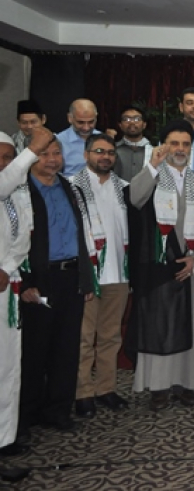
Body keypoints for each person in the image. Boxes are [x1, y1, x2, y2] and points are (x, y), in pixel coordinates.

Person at [129, 120, 194, 411]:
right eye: (174, 143)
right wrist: (152, 166)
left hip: (191, 264)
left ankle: (187, 384)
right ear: (163, 145)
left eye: (185, 144)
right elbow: (134, 199)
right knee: (159, 325)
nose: (179, 149)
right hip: (158, 264)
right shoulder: (151, 176)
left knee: (190, 324)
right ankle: (159, 387)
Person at [18, 137, 97, 433]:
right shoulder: (20, 191)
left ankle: (58, 411)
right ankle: (27, 414)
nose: (52, 159)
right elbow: (14, 241)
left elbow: (83, 236)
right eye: (44, 154)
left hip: (71, 276)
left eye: (56, 153)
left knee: (66, 348)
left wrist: (86, 278)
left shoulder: (70, 188)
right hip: (39, 279)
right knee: (34, 350)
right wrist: (25, 282)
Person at [71, 134, 131, 418]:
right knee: (83, 337)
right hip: (88, 275)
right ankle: (82, 393)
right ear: (86, 155)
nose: (105, 157)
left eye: (109, 153)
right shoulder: (72, 188)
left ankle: (105, 389)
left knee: (110, 337)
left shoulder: (124, 189)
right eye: (99, 152)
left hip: (118, 273)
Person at [0, 133, 34, 481]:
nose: (5, 164)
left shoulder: (13, 198)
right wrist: (33, 151)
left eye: (10, 157)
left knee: (7, 368)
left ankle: (3, 442)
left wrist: (7, 268)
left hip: (6, 292)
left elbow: (22, 236)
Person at [57, 99, 102, 177]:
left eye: (91, 122)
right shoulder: (58, 141)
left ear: (96, 117)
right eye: (80, 122)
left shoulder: (102, 139)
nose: (86, 128)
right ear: (70, 118)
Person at [113, 105, 153, 181]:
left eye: (137, 119)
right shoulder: (113, 149)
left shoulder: (153, 152)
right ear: (120, 125)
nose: (132, 122)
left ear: (144, 124)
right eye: (126, 119)